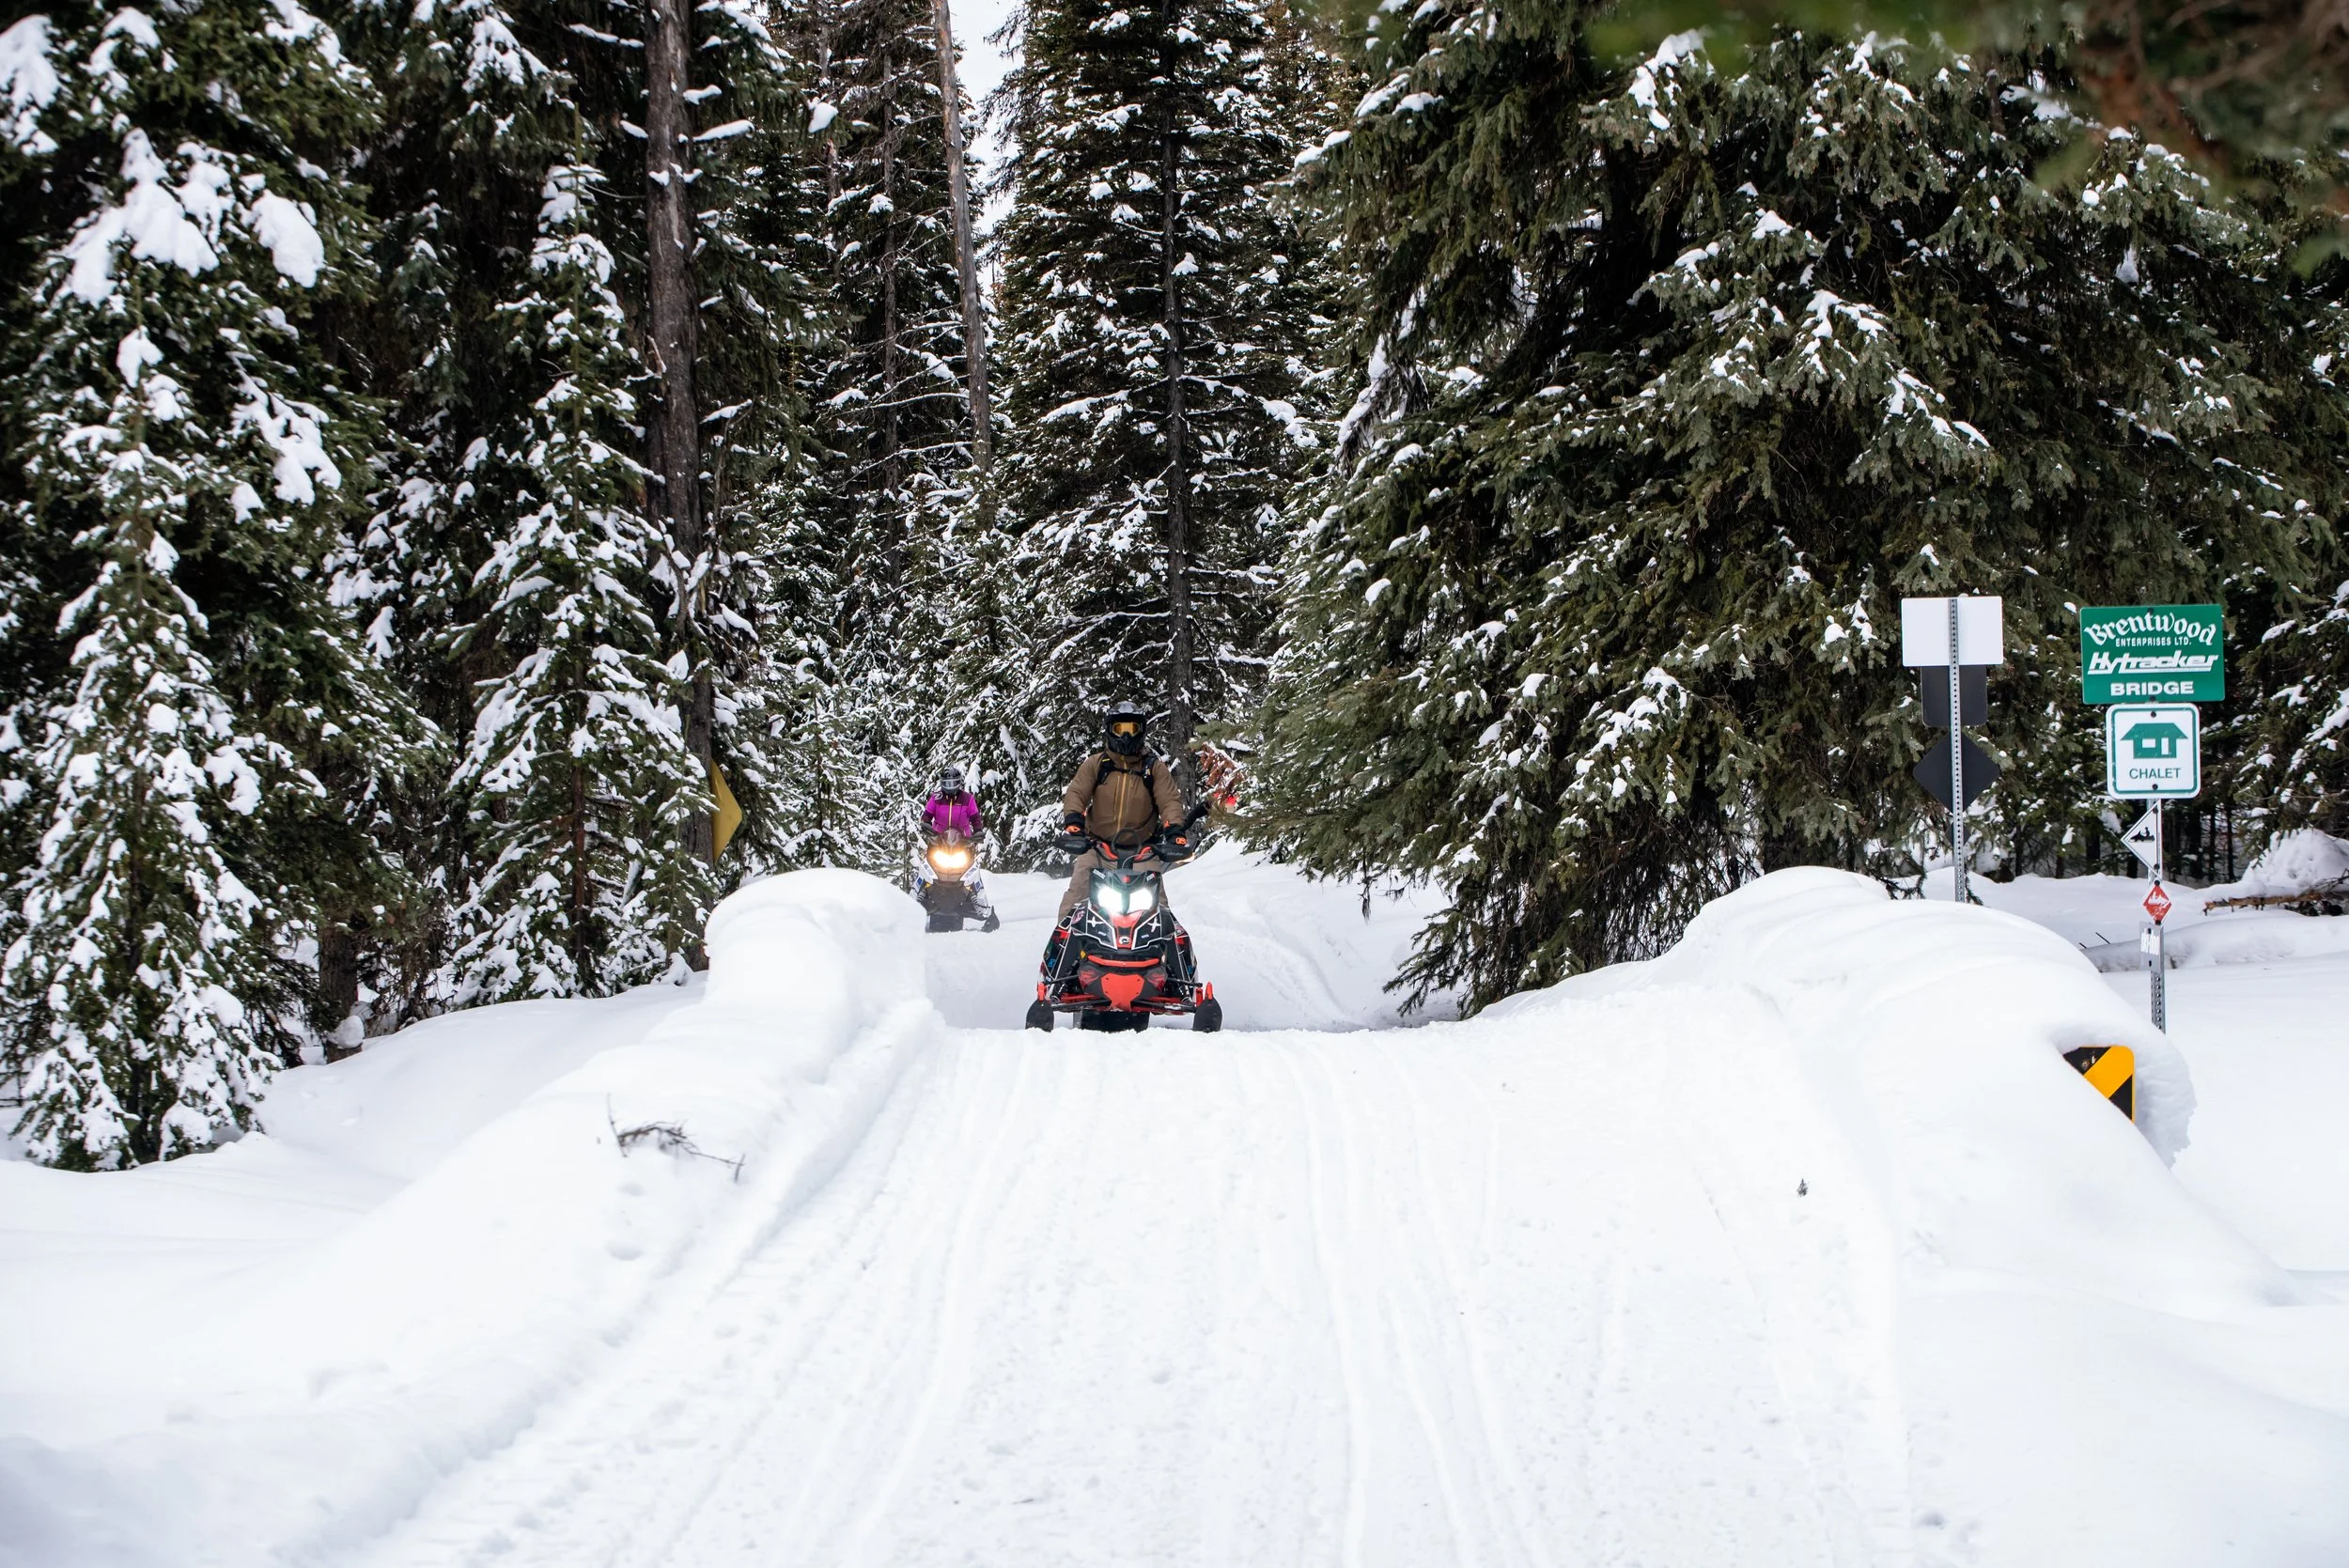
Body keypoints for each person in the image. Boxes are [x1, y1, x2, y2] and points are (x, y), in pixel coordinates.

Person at [917, 766, 997, 930]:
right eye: (947, 782)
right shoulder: (936, 798)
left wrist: (978, 832)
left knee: (971, 873)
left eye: (954, 782)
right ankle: (913, 902)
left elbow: (975, 818)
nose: (951, 785)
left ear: (959, 782)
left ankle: (982, 909)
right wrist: (925, 825)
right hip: (938, 841)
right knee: (926, 869)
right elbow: (927, 815)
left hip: (963, 842)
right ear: (942, 783)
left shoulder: (967, 799)